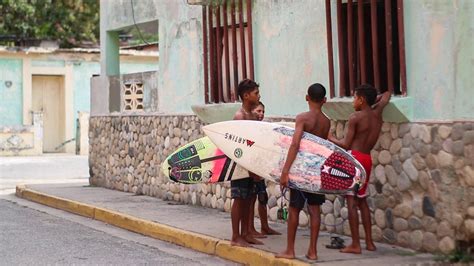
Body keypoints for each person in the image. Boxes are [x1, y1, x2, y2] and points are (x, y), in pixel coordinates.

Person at [329, 84, 391, 254]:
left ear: (362, 99)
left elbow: (346, 144)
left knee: (351, 201)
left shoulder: (355, 117)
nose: (353, 101)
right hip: (367, 159)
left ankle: (356, 244)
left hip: (354, 160)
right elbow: (387, 93)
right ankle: (369, 242)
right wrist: (375, 101)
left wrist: (330, 137)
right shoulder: (377, 113)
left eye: (355, 97)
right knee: (362, 200)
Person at [276, 83, 330, 260]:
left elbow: (295, 143)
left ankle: (290, 250)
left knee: (294, 209)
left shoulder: (303, 118)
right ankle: (313, 251)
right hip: (316, 171)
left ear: (307, 98)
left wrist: (285, 171)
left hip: (300, 170)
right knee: (315, 210)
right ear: (324, 100)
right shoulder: (326, 122)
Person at [230, 79, 263, 246]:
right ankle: (236, 236)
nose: (259, 96)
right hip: (240, 166)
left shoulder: (251, 115)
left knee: (249, 198)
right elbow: (238, 145)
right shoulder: (240, 116)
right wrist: (248, 167)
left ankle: (246, 233)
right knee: (239, 199)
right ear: (245, 95)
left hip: (251, 165)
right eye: (256, 93)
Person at [247, 102, 281, 238]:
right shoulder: (249, 127)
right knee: (251, 199)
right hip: (251, 168)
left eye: (263, 112)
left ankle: (265, 226)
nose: (261, 114)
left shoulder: (263, 128)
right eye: (258, 111)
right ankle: (250, 228)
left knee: (262, 197)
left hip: (261, 168)